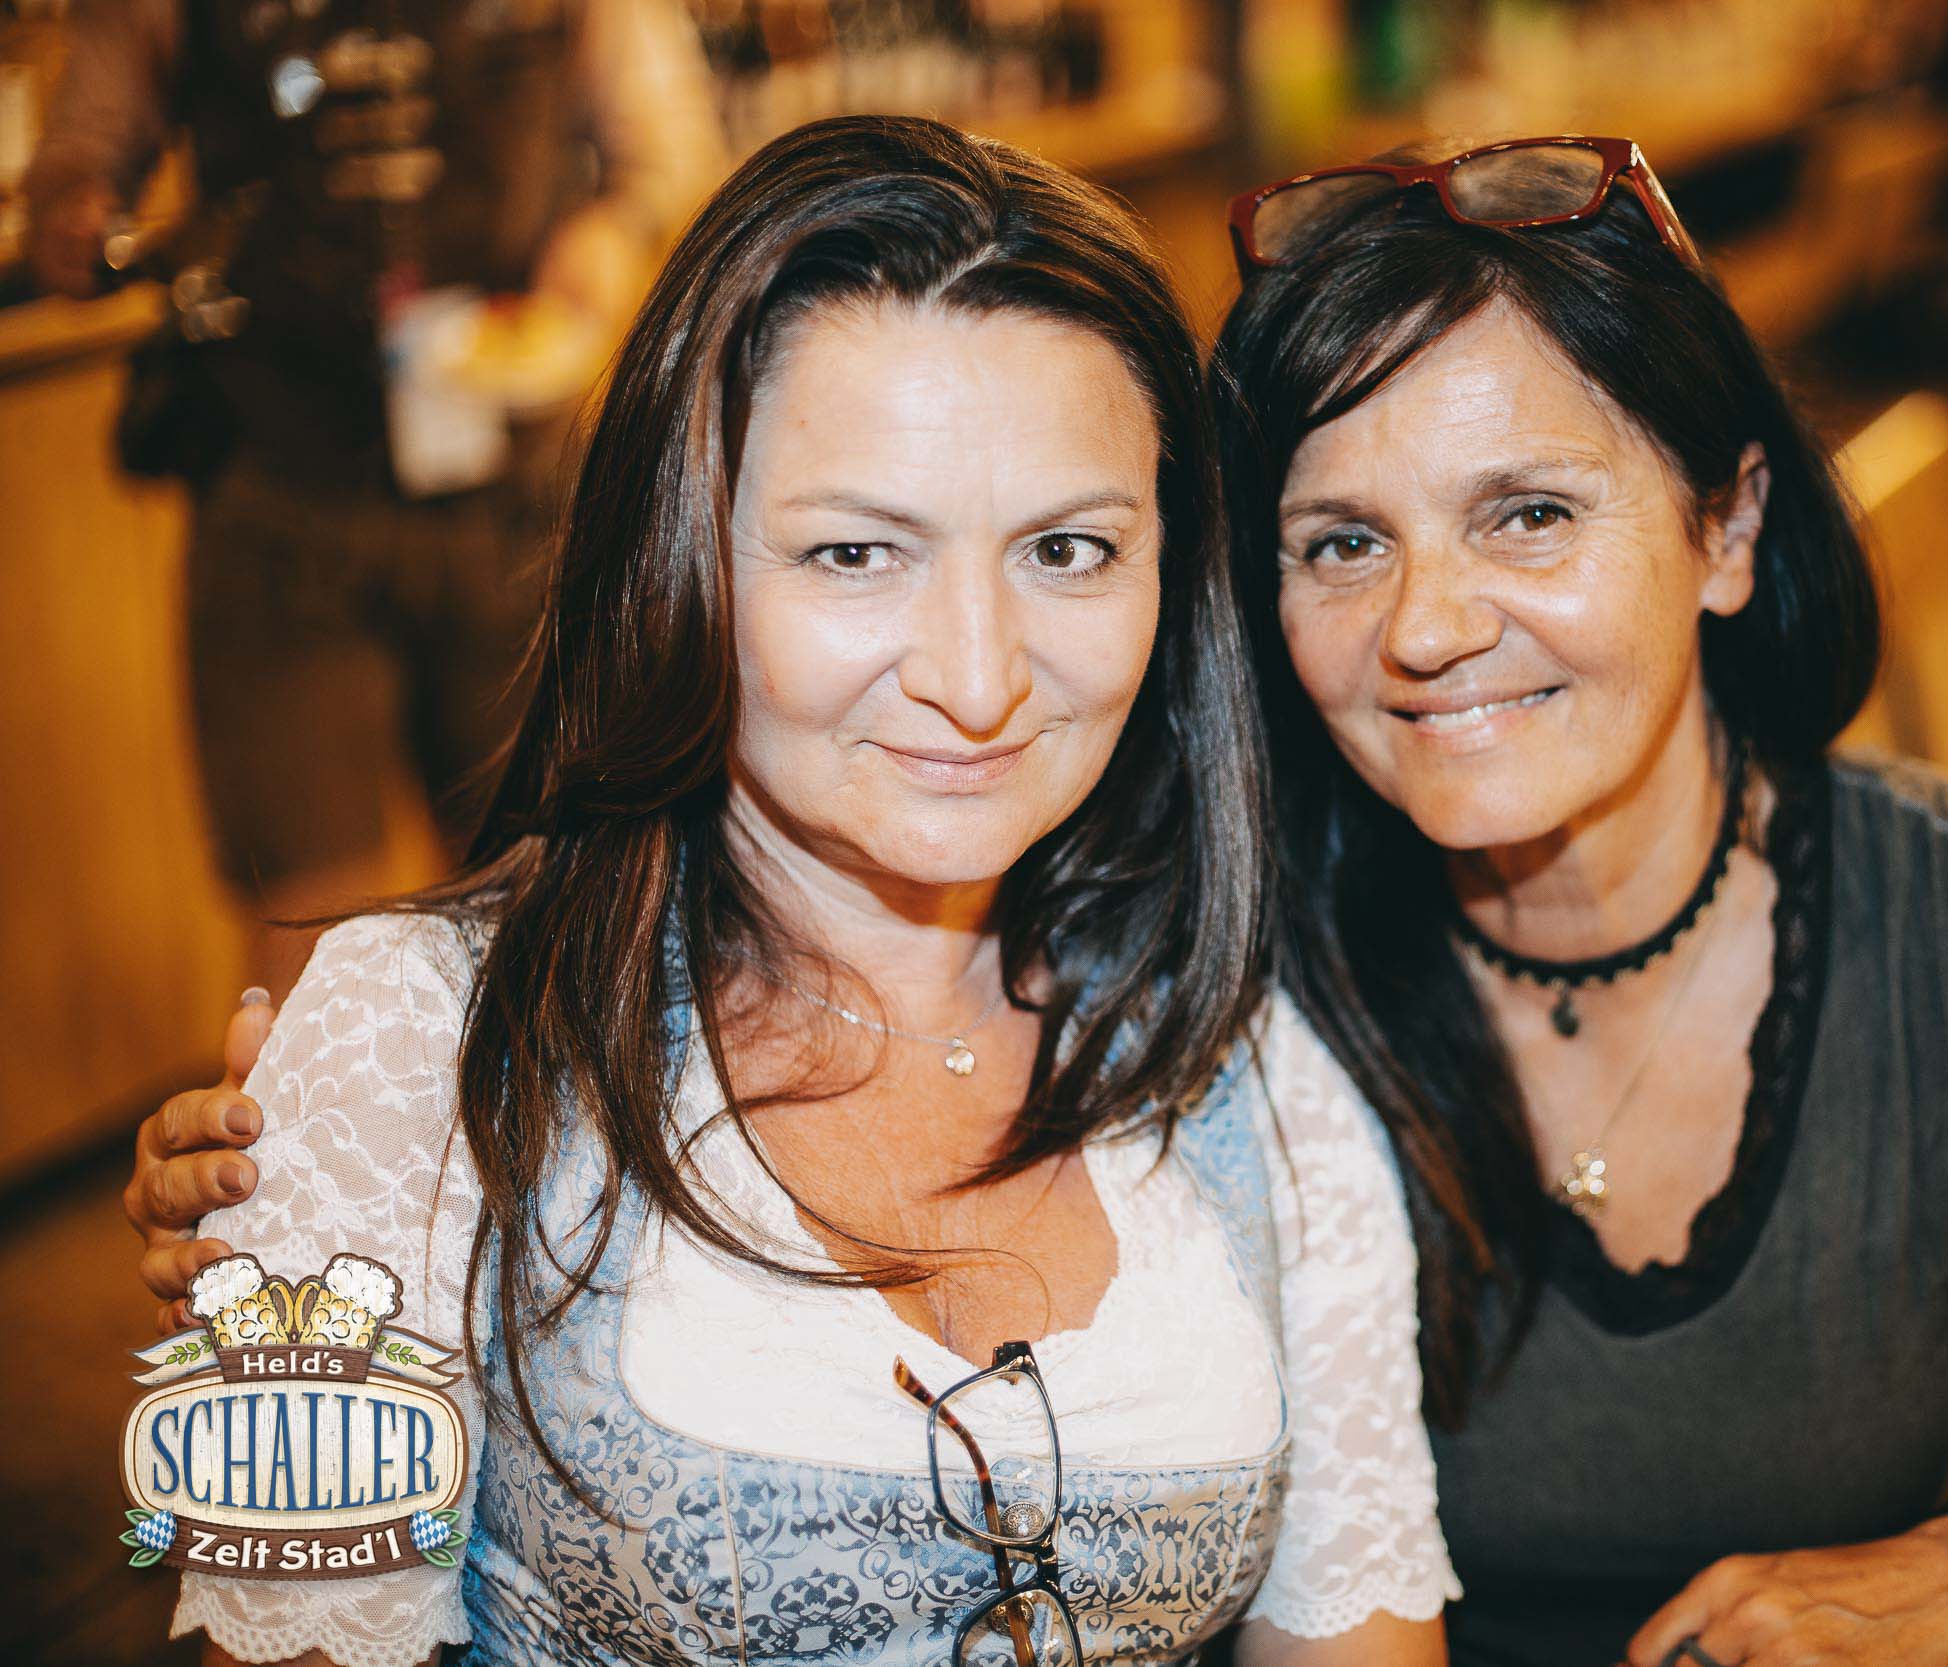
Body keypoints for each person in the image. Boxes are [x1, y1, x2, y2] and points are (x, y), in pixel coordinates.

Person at [121, 115, 1452, 1667]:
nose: (978, 677)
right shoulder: (397, 1037)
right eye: (856, 554)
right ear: (678, 552)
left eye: (1069, 548)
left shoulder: (1261, 1071)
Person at [1208, 137, 1948, 1666]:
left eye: (1529, 513)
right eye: (1344, 541)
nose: (1422, 627)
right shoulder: (1230, 979)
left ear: (1730, 528)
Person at [24, 0, 726, 990]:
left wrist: (609, 237)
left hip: (520, 508)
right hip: (281, 502)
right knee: (314, 940)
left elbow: (666, 146)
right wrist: (75, 207)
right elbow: (83, 151)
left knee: (542, 909)